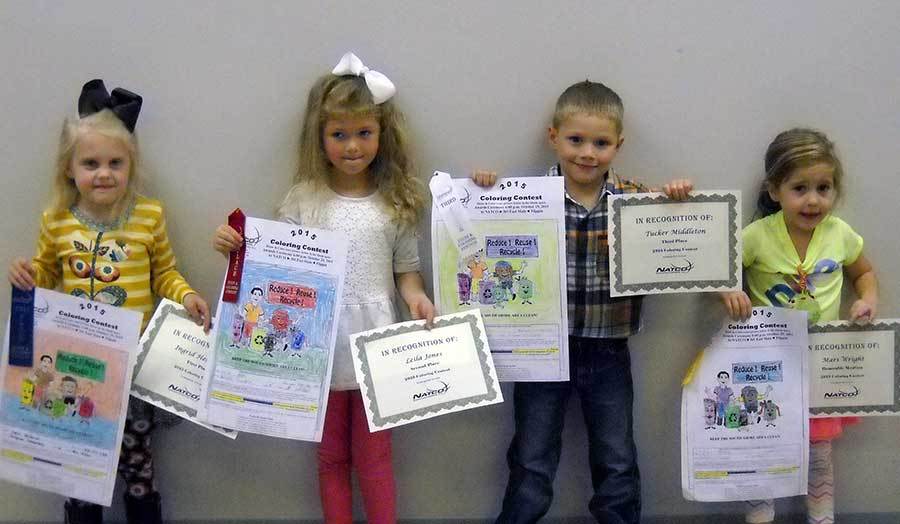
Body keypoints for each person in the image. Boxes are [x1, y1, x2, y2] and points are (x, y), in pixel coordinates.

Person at [214, 52, 435, 524]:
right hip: (314, 347)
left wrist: (418, 300)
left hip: (378, 346)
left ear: (382, 134)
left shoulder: (397, 202)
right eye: (339, 134)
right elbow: (275, 275)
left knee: (375, 461)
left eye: (363, 133)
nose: (352, 146)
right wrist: (236, 249)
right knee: (331, 458)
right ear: (320, 137)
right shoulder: (302, 200)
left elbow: (407, 275)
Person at [472, 79, 692, 523]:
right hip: (540, 350)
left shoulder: (638, 201)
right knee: (532, 458)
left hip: (608, 349)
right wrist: (483, 190)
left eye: (601, 143)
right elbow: (476, 237)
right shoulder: (524, 199)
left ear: (618, 145)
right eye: (575, 140)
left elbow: (685, 242)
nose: (587, 153)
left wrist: (677, 202)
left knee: (616, 457)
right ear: (553, 137)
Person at [8, 79, 211, 524]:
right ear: (69, 169)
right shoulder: (56, 222)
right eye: (91, 163)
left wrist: (189, 295)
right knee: (78, 465)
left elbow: (165, 275)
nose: (104, 173)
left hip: (132, 366)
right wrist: (27, 276)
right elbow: (45, 276)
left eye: (115, 163)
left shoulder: (148, 216)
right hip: (74, 367)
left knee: (138, 462)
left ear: (130, 166)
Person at [721, 128, 878, 524]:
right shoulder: (757, 236)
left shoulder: (839, 233)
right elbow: (717, 272)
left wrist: (867, 300)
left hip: (821, 365)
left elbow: (865, 272)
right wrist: (728, 293)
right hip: (766, 361)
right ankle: (759, 517)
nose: (813, 200)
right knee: (762, 444)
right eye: (799, 188)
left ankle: (821, 519)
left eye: (823, 187)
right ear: (774, 190)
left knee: (819, 454)